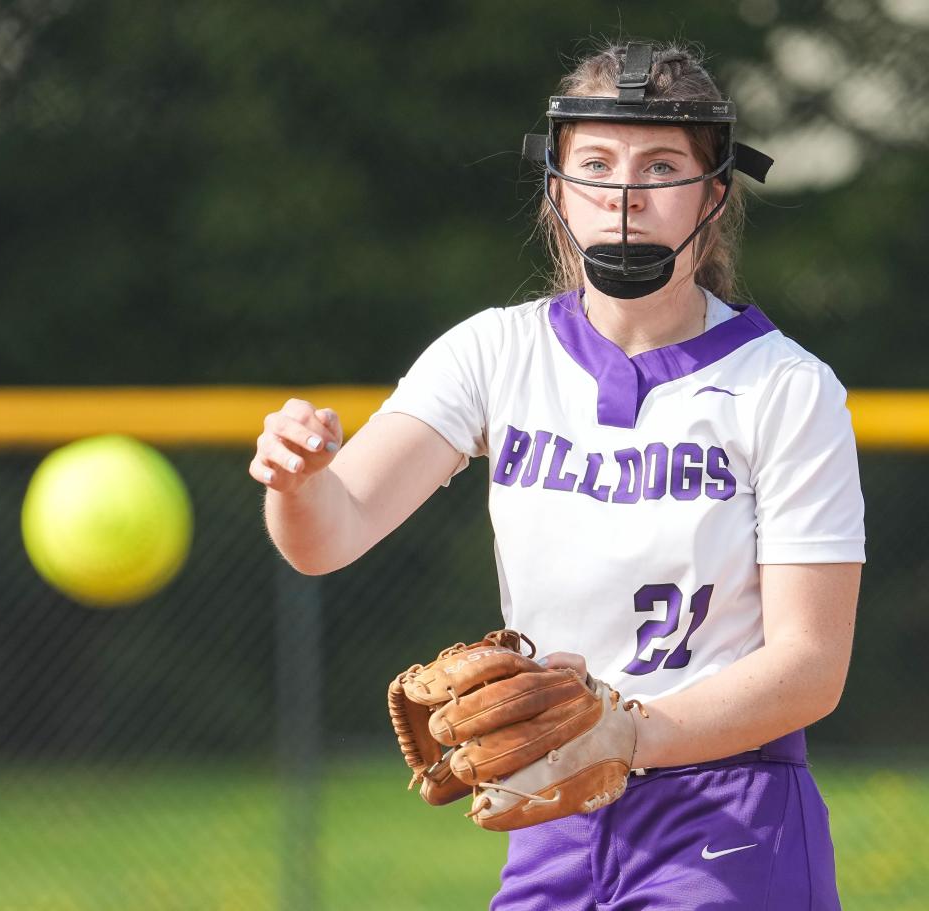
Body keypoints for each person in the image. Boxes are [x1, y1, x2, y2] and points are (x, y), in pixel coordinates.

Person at [251, 40, 864, 911]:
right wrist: (296, 482)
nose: (625, 195)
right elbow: (330, 533)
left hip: (730, 816)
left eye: (661, 165)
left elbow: (811, 665)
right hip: (554, 814)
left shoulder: (787, 388)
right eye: (597, 164)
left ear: (714, 191)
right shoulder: (496, 352)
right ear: (556, 188)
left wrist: (628, 732)